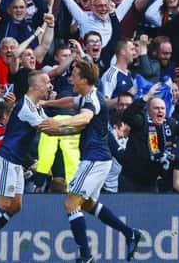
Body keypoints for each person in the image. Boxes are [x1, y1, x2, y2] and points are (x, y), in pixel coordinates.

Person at [39, 60, 142, 263]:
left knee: (70, 204)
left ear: (84, 80)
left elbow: (84, 118)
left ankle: (85, 256)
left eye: (74, 75)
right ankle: (130, 233)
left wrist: (58, 122)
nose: (70, 79)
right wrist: (46, 103)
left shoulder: (92, 100)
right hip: (97, 159)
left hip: (94, 159)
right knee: (86, 204)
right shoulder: (88, 96)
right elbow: (70, 102)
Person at [0, 71, 54, 263]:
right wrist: (79, 124)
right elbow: (51, 129)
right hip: (5, 159)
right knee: (4, 203)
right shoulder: (25, 107)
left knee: (16, 206)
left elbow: (52, 124)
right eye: (47, 82)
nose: (50, 86)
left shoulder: (36, 107)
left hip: (16, 163)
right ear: (35, 86)